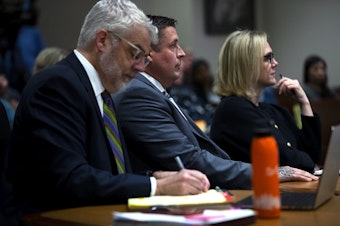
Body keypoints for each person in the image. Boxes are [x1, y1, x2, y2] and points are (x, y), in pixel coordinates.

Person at [6, 1, 210, 223]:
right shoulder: (56, 85)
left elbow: (106, 175)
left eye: (144, 58)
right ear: (102, 40)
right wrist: (156, 187)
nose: (141, 67)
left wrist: (154, 177)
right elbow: (72, 179)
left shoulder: (103, 92)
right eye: (135, 54)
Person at [113, 15, 318, 191]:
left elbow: (309, 157)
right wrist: (268, 172)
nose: (182, 53)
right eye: (173, 45)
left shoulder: (155, 92)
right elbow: (189, 159)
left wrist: (304, 103)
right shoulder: (139, 94)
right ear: (149, 54)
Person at [210, 30, 322, 173]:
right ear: (247, 64)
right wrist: (309, 163)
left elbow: (313, 155)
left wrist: (304, 103)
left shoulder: (275, 111)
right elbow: (285, 159)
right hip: (253, 194)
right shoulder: (232, 110)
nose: (275, 63)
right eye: (267, 58)